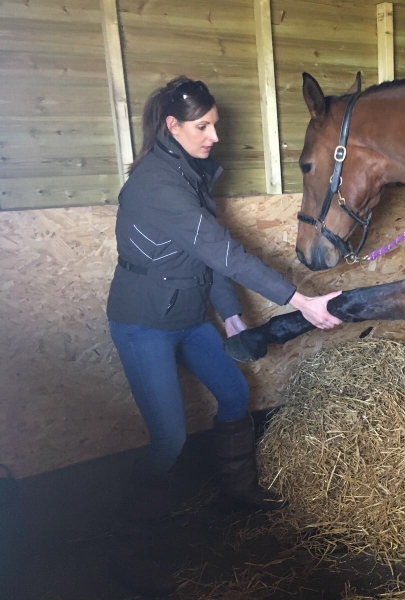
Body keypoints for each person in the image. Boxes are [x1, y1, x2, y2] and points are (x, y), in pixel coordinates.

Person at [106, 76, 341, 596]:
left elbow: (204, 256)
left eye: (215, 124)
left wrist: (231, 314)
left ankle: (237, 493)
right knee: (167, 437)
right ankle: (131, 544)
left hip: (188, 316)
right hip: (144, 322)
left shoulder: (189, 175)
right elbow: (220, 250)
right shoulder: (156, 184)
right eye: (203, 126)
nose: (214, 135)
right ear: (173, 126)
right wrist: (299, 300)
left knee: (235, 393)